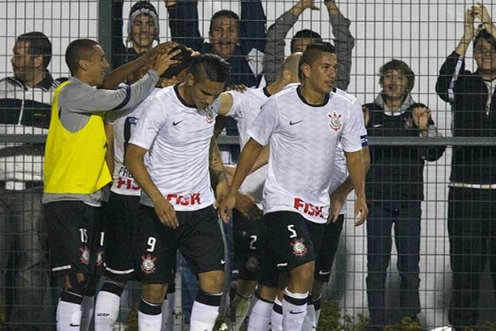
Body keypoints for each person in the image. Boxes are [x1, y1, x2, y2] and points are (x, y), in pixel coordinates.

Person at [218, 42, 368, 331]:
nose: (332, 73)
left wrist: (359, 194)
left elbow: (356, 155)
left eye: (335, 67)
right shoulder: (279, 103)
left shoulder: (346, 107)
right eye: (326, 67)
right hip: (281, 202)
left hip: (317, 205)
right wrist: (233, 191)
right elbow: (253, 147)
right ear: (306, 71)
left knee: (282, 281)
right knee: (303, 269)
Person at [42, 38, 176, 330]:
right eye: (101, 59)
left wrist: (144, 60)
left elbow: (111, 86)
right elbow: (120, 97)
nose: (106, 64)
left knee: (88, 277)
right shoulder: (73, 93)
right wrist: (154, 73)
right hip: (68, 198)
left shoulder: (86, 93)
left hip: (89, 197)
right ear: (83, 64)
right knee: (75, 279)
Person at [124, 53, 231, 331]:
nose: (210, 100)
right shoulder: (160, 105)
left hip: (200, 211)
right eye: (206, 93)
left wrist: (219, 177)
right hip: (159, 212)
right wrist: (158, 199)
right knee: (154, 291)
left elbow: (208, 141)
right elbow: (133, 157)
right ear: (189, 78)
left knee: (214, 281)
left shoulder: (212, 103)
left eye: (215, 94)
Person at [94, 45, 194, 331]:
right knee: (156, 280)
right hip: (154, 199)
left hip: (121, 194)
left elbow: (105, 84)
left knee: (115, 277)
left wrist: (145, 62)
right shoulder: (172, 100)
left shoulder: (125, 96)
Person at [0, 31, 61, 329]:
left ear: (39, 60)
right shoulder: (0, 88)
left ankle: (26, 326)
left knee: (32, 264)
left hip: (36, 191)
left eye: (19, 54)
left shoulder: (59, 93)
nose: (12, 59)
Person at [211, 53, 302, 330]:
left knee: (281, 281)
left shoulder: (304, 107)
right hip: (250, 205)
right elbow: (205, 110)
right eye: (303, 74)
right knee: (247, 282)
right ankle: (229, 325)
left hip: (287, 204)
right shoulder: (248, 99)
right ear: (286, 74)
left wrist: (233, 170)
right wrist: (226, 179)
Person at [364, 59, 445, 329]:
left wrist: (424, 129)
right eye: (387, 76)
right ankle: (376, 322)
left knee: (409, 265)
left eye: (398, 77)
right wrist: (361, 129)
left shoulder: (418, 112)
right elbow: (352, 152)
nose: (393, 81)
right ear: (381, 82)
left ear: (408, 82)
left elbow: (434, 153)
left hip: (409, 200)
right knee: (376, 266)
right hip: (376, 200)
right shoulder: (368, 112)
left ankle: (409, 320)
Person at [435, 4, 496, 330]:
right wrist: (468, 35)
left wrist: (491, 24)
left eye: (492, 48)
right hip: (465, 194)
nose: (486, 53)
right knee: (466, 270)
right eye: (480, 49)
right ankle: (462, 327)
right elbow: (442, 85)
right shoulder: (465, 84)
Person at [165, 0, 266, 88]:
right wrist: (172, 8)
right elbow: (184, 29)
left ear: (238, 36)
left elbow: (255, 24)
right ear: (210, 36)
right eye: (218, 30)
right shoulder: (198, 55)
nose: (224, 35)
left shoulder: (250, 59)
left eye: (231, 30)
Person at [263, 0, 354, 90]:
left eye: (308, 51)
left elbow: (344, 42)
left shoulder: (331, 84)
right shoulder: (279, 81)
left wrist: (331, 4)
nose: (303, 55)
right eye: (298, 50)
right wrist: (303, 4)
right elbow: (274, 36)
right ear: (292, 54)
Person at [111, 1, 160, 69]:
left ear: (155, 30)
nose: (144, 30)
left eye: (149, 24)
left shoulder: (161, 60)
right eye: (138, 24)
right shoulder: (121, 57)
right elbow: (115, 26)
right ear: (130, 29)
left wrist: (172, 6)